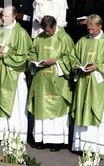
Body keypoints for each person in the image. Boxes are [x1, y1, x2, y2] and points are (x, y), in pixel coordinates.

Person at [71, 14, 104, 158]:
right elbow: (73, 57)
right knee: (82, 110)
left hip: (99, 85)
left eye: (93, 29)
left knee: (101, 115)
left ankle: (100, 148)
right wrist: (77, 65)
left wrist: (97, 67)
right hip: (83, 83)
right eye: (88, 29)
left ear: (100, 26)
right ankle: (82, 145)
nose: (90, 32)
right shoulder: (82, 41)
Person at [0, 5, 31, 142]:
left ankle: (13, 134)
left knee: (13, 104)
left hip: (12, 73)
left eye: (6, 16)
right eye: (2, 15)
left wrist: (6, 55)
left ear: (14, 17)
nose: (3, 18)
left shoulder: (21, 33)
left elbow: (25, 55)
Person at [28, 15, 74, 150]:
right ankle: (41, 138)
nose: (46, 33)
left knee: (57, 110)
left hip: (57, 80)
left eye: (49, 31)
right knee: (41, 107)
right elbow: (31, 53)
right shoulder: (39, 37)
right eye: (44, 30)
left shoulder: (64, 38)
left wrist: (55, 61)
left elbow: (70, 59)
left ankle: (56, 141)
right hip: (41, 79)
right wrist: (34, 61)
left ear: (54, 26)